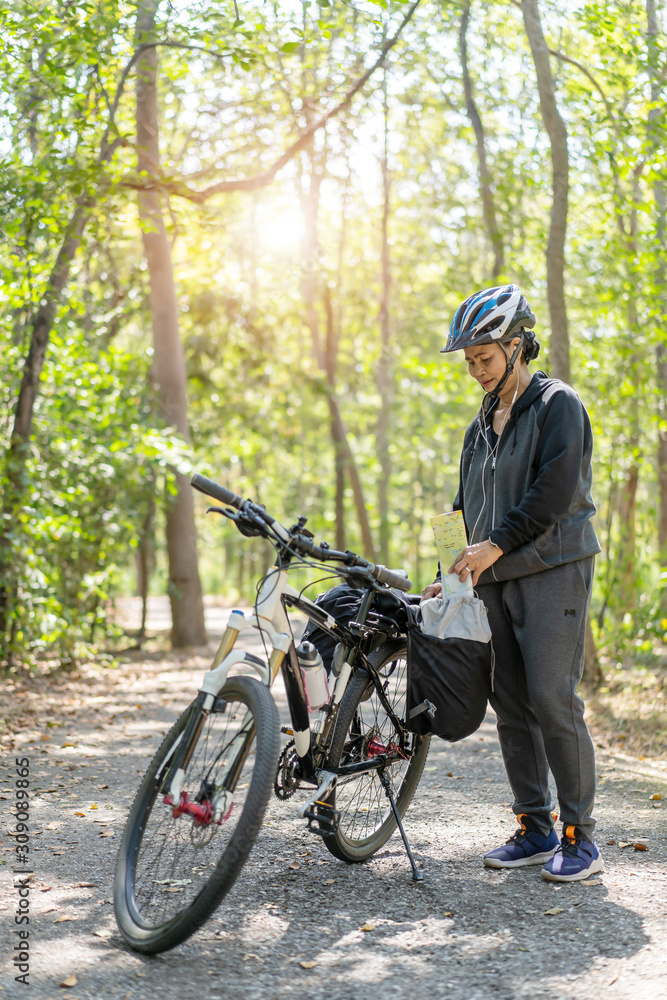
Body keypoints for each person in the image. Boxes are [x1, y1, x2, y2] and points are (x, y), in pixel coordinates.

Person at [422, 283, 603, 882]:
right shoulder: (479, 426)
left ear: (517, 346)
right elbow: (462, 504)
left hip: (553, 570)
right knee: (511, 704)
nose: (475, 371)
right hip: (493, 577)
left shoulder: (559, 406)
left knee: (553, 699)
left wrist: (495, 545)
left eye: (485, 358)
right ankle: (535, 825)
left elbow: (552, 494)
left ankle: (580, 838)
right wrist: (449, 575)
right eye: (470, 361)